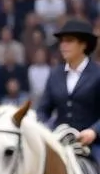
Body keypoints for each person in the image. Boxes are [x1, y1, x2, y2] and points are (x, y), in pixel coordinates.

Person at [33, 18, 100, 164]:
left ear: (83, 44)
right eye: (61, 41)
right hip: (59, 141)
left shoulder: (98, 74)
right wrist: (47, 129)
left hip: (92, 143)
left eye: (69, 41)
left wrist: (94, 131)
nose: (63, 45)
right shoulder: (55, 74)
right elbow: (42, 110)